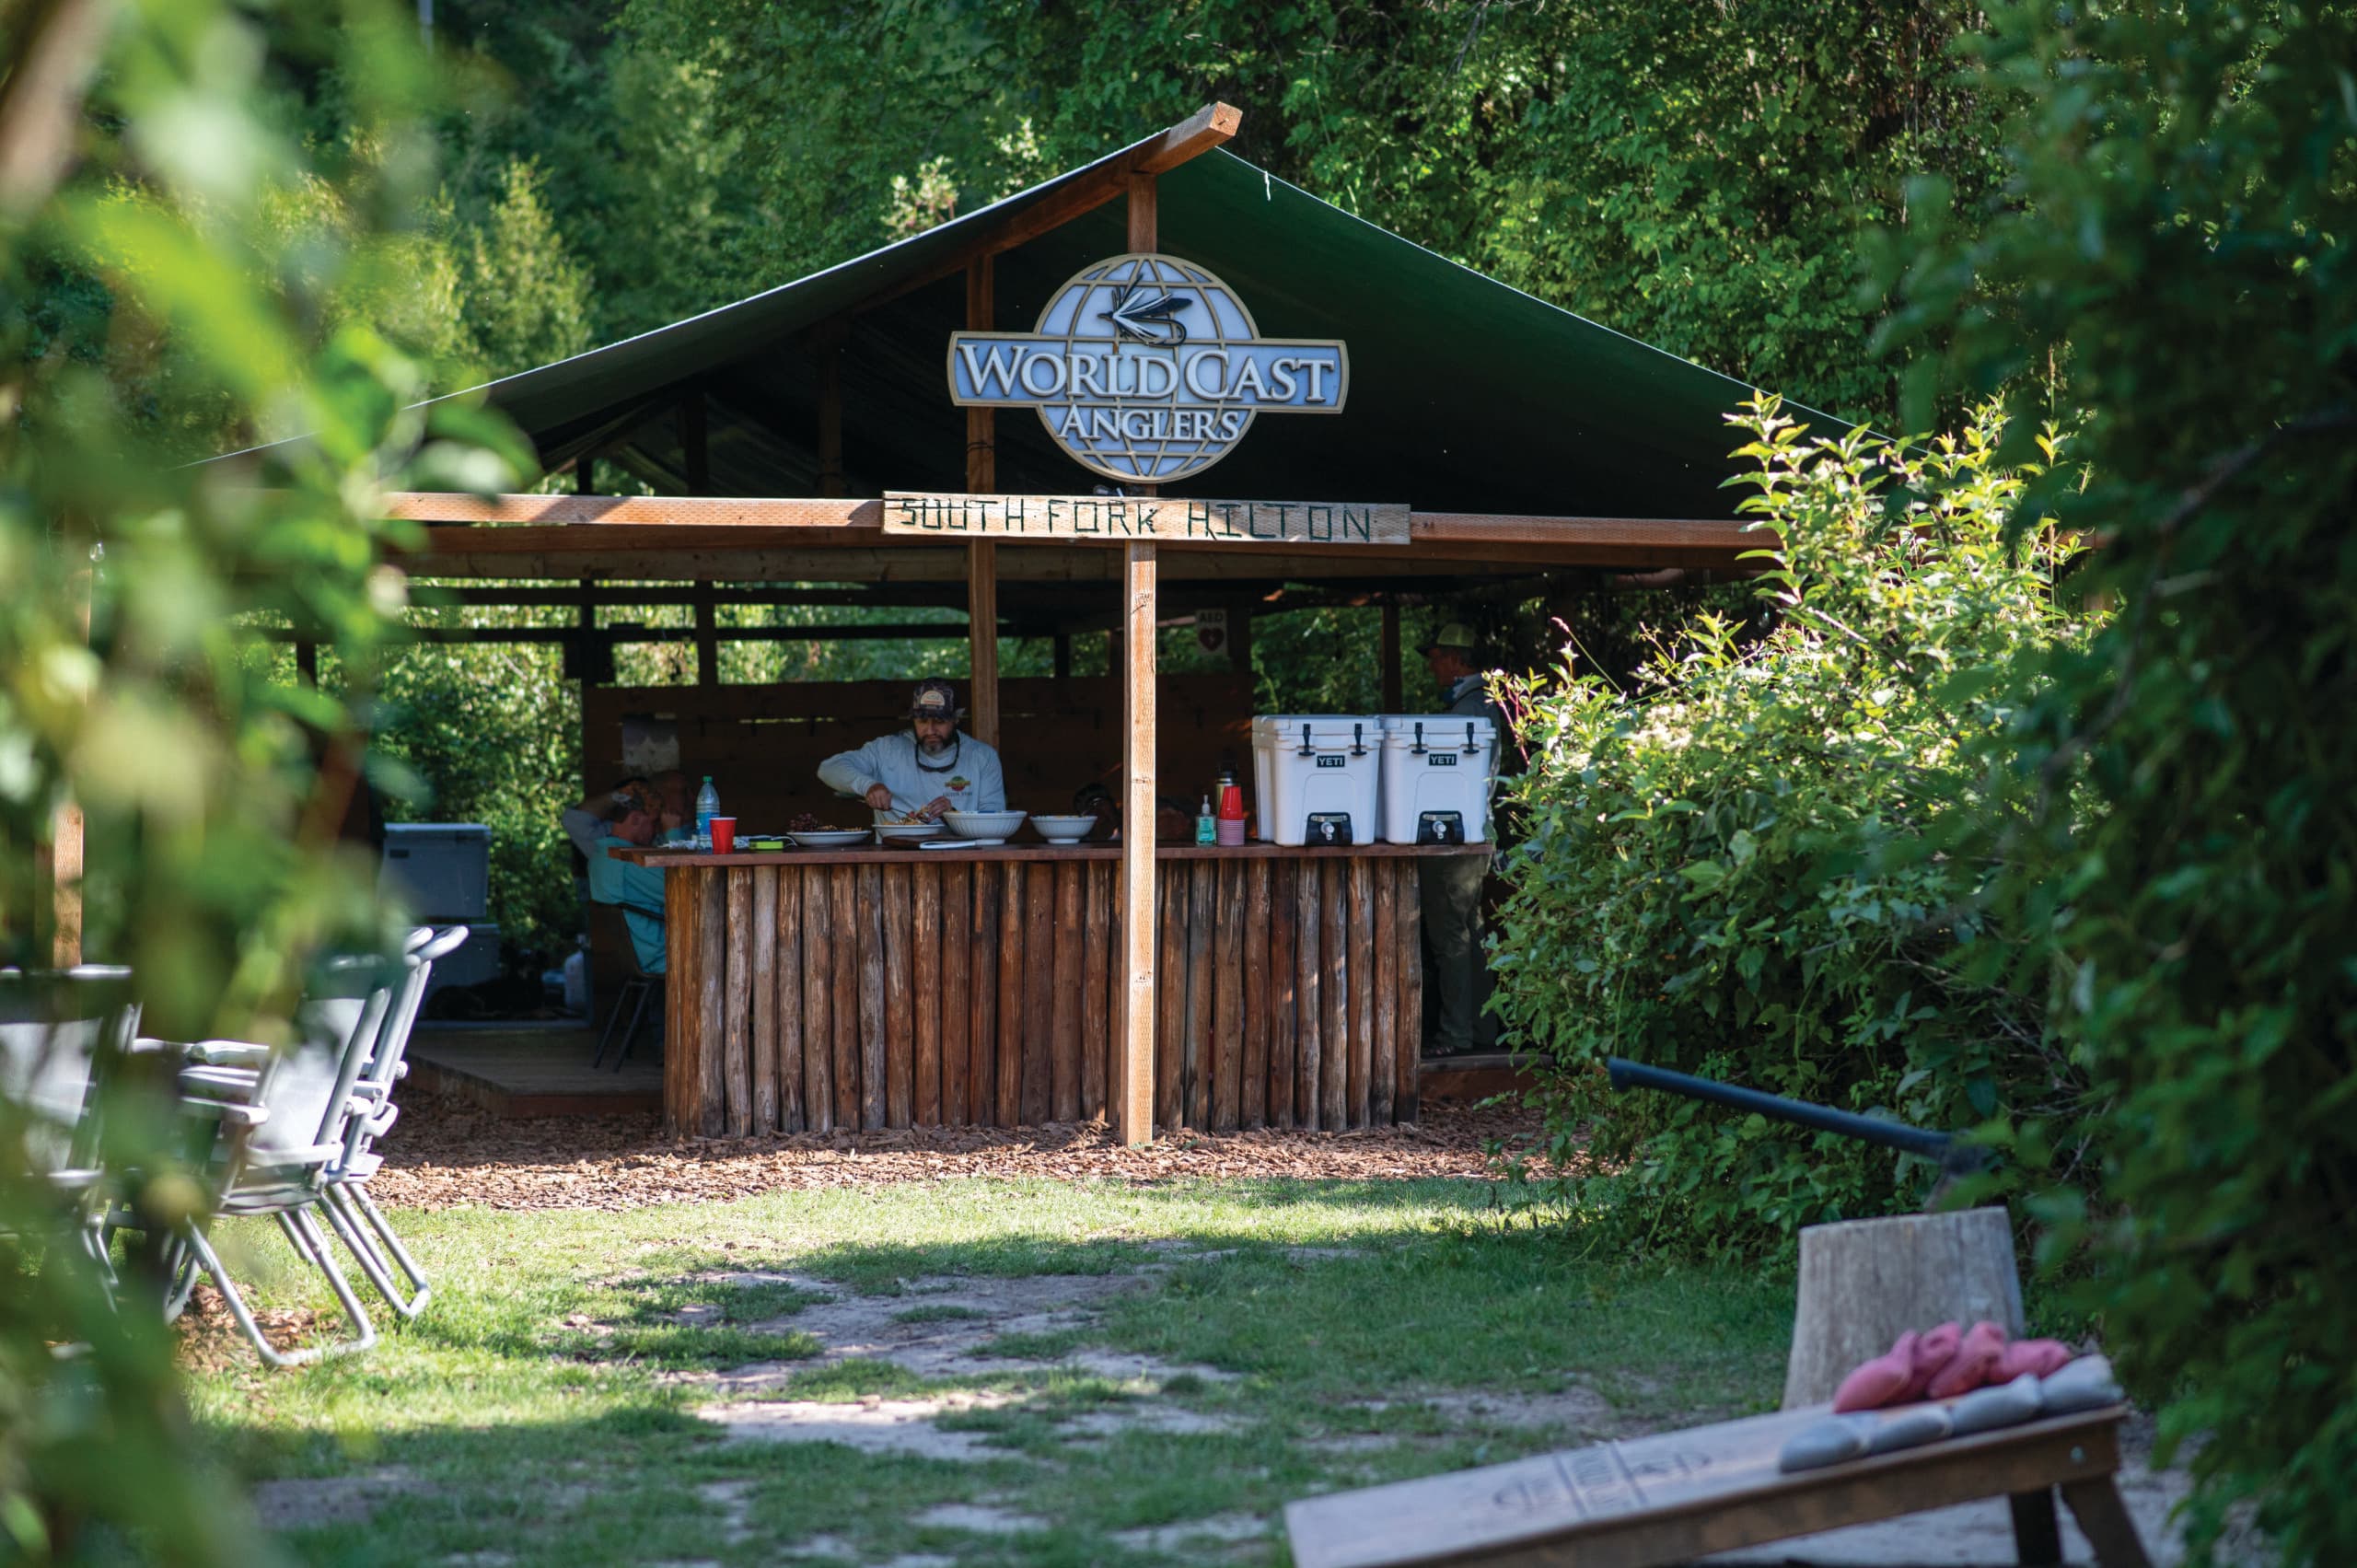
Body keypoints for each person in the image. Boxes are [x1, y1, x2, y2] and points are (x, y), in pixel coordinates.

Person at [1417, 621, 1505, 1058]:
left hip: (1455, 840)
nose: (1432, 667)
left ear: (1455, 660)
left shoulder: (1466, 713)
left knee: (1450, 936)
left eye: (1436, 658)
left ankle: (1455, 1036)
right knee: (1472, 933)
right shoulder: (1484, 704)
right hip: (1476, 836)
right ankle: (1484, 1031)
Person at [817, 678, 1006, 819]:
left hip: (962, 857)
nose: (930, 730)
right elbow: (828, 768)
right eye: (922, 721)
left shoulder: (982, 756)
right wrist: (868, 786)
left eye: (940, 721)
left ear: (956, 719)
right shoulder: (887, 750)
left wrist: (954, 815)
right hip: (893, 857)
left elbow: (995, 822)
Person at [585, 781, 670, 974]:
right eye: (655, 822)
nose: (657, 830)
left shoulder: (600, 855)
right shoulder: (627, 862)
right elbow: (685, 892)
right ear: (635, 819)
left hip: (635, 956)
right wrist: (674, 834)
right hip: (661, 956)